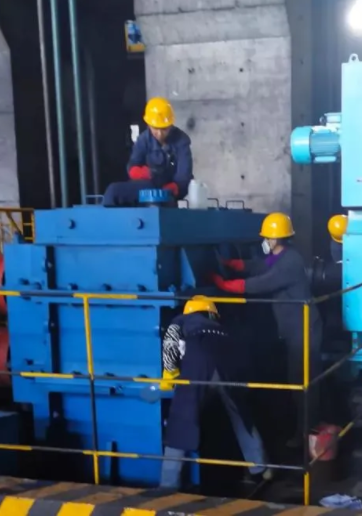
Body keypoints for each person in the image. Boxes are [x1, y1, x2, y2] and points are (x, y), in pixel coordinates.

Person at [210, 212, 323, 446]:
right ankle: (305, 430)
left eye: (268, 237)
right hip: (293, 328)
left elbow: (262, 283)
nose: (266, 241)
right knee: (297, 380)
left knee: (302, 382)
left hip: (303, 329)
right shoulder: (279, 256)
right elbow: (260, 267)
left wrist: (226, 285)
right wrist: (234, 264)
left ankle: (307, 434)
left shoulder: (290, 261)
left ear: (277, 239)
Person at [160, 297, 271, 488]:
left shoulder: (180, 321)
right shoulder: (221, 327)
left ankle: (168, 483)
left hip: (198, 364)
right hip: (227, 364)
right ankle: (261, 467)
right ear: (212, 313)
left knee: (183, 418)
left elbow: (170, 345)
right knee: (240, 415)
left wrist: (169, 377)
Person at [103, 97, 193, 207]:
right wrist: (144, 173)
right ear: (149, 124)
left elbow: (184, 176)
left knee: (158, 203)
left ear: (170, 124)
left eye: (164, 129)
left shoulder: (182, 142)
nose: (159, 133)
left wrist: (170, 189)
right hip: (146, 187)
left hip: (169, 192)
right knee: (113, 192)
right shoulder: (143, 140)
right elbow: (132, 166)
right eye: (155, 128)